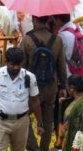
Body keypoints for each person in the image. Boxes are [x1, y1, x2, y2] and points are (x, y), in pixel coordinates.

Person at [0, 47, 42, 150]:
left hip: (22, 123)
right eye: (12, 65)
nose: (16, 68)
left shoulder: (29, 77)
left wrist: (40, 124)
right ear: (6, 62)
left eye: (18, 65)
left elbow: (35, 101)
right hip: (1, 122)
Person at [19, 16, 67, 151]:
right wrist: (63, 86)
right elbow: (62, 67)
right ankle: (44, 148)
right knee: (47, 120)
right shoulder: (57, 40)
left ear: (34, 20)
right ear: (47, 21)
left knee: (23, 117)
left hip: (31, 88)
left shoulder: (27, 39)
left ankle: (33, 148)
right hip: (51, 87)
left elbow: (21, 65)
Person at [55, 76, 83, 151]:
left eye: (67, 87)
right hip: (69, 140)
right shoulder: (74, 100)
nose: (66, 89)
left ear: (72, 88)